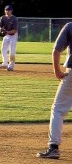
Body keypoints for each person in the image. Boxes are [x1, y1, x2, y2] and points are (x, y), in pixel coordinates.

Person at [37, 22, 72, 159]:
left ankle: (54, 148)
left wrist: (57, 71)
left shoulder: (70, 26)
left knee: (58, 109)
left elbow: (56, 50)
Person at [0, 4, 18, 71]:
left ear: (11, 11)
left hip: (13, 35)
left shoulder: (14, 18)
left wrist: (7, 32)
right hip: (6, 35)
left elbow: (15, 30)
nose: (7, 11)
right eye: (6, 10)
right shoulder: (3, 18)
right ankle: (5, 64)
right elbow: (0, 26)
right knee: (3, 49)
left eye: (9, 10)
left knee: (12, 51)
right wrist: (1, 30)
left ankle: (11, 66)